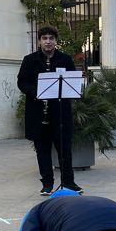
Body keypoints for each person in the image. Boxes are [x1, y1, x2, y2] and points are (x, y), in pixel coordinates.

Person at [17, 25, 82, 196]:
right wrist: (36, 93)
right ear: (39, 41)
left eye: (51, 38)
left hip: (60, 111)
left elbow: (72, 82)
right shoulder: (29, 60)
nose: (48, 41)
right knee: (42, 148)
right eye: (44, 38)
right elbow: (22, 82)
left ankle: (69, 182)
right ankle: (47, 183)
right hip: (38, 111)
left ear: (56, 41)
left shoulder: (65, 59)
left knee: (64, 147)